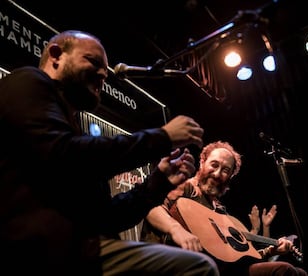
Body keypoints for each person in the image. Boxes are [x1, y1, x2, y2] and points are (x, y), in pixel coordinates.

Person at [0, 30, 219, 275]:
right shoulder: (26, 81)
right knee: (197, 267)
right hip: (40, 252)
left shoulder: (72, 132)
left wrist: (160, 181)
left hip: (79, 250)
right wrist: (162, 137)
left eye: (105, 69)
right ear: (56, 55)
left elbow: (108, 218)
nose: (104, 73)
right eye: (93, 62)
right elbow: (64, 155)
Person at [141, 140, 308, 276]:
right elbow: (151, 207)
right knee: (284, 271)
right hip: (180, 265)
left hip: (222, 269)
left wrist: (271, 250)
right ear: (202, 161)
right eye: (214, 164)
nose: (217, 173)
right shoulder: (187, 188)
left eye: (225, 170)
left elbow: (238, 257)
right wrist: (176, 229)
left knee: (298, 272)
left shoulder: (220, 210)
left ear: (230, 176)